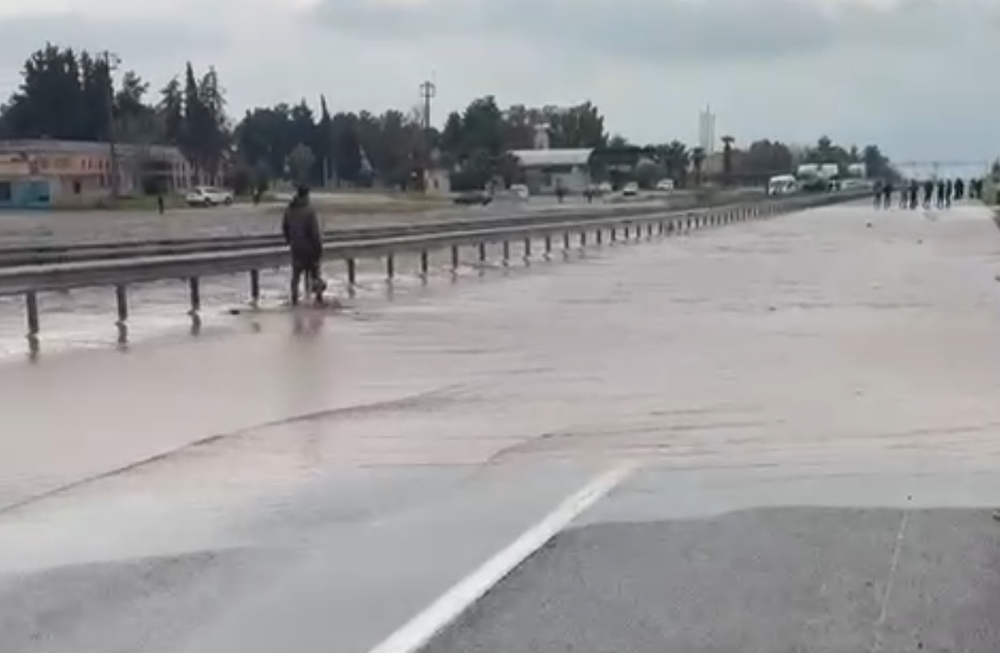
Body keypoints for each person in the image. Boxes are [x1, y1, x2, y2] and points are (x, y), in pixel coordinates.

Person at [281, 185, 326, 306]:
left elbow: (285, 228)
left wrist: (290, 241)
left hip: (296, 248)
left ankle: (294, 300)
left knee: (295, 277)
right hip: (310, 250)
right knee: (315, 274)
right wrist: (319, 250)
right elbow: (315, 233)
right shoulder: (310, 211)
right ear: (306, 196)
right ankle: (318, 300)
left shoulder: (289, 209)